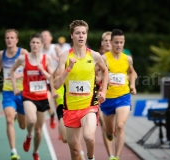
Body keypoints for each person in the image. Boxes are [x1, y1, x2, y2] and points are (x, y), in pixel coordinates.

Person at [54, 20, 108, 160]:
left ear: (86, 35)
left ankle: (90, 158)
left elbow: (105, 71)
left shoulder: (94, 55)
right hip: (70, 108)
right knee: (75, 153)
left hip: (89, 105)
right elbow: (56, 84)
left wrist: (103, 92)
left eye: (83, 33)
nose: (81, 36)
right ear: (71, 35)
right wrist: (68, 69)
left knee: (89, 137)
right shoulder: (65, 57)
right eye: (77, 33)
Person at [0, 29, 28, 160]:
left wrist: (20, 74)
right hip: (8, 92)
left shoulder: (23, 53)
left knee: (23, 126)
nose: (9, 40)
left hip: (22, 92)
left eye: (12, 38)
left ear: (16, 40)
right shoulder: (1, 54)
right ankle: (13, 151)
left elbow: (31, 67)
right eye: (7, 38)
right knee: (9, 120)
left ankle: (17, 116)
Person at [11, 33, 53, 160]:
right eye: (33, 42)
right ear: (30, 44)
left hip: (42, 96)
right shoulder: (23, 59)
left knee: (39, 130)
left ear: (42, 44)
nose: (35, 45)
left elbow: (51, 77)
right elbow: (12, 71)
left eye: (37, 43)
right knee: (31, 120)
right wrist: (14, 87)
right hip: (28, 96)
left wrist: (42, 70)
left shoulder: (47, 59)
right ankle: (29, 136)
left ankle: (35, 152)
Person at [100, 29, 137, 160]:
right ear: (111, 42)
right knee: (110, 131)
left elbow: (133, 73)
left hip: (123, 96)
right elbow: (95, 74)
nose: (119, 45)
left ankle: (117, 157)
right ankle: (109, 134)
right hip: (108, 99)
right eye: (116, 42)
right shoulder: (104, 58)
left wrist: (132, 85)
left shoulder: (127, 59)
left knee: (120, 125)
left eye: (121, 42)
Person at [96, 31, 115, 160]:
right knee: (103, 123)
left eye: (110, 40)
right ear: (102, 43)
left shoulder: (122, 57)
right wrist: (102, 79)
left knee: (115, 127)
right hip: (101, 94)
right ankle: (111, 155)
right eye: (106, 41)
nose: (108, 43)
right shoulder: (97, 58)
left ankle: (111, 133)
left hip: (117, 95)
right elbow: (92, 75)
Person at [41, 30, 62, 129]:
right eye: (42, 36)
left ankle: (60, 128)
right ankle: (52, 114)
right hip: (45, 80)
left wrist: (55, 58)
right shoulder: (39, 49)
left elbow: (63, 60)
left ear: (50, 38)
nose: (44, 38)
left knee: (58, 104)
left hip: (56, 79)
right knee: (46, 101)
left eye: (46, 36)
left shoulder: (55, 47)